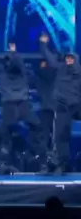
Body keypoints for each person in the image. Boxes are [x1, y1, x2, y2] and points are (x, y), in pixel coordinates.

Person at [0, 43, 45, 173]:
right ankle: (5, 162)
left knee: (35, 127)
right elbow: (5, 63)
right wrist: (13, 53)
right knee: (6, 132)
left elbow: (1, 63)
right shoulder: (9, 72)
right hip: (12, 105)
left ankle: (37, 156)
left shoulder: (13, 71)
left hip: (20, 104)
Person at [39, 34, 81, 173]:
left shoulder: (79, 72)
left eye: (71, 58)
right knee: (61, 135)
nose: (69, 60)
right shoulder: (61, 69)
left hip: (77, 105)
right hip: (63, 107)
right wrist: (43, 45)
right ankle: (62, 161)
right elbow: (51, 60)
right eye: (67, 58)